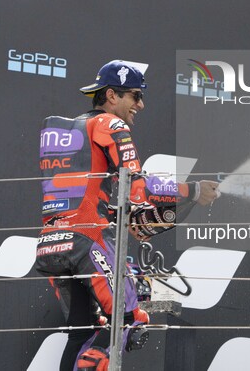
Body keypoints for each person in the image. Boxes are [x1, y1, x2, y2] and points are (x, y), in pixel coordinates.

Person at [34, 60, 219, 371]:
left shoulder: (70, 130)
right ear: (111, 95)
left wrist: (159, 214)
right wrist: (194, 190)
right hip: (87, 243)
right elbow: (137, 189)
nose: (141, 105)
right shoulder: (111, 125)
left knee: (81, 332)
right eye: (135, 95)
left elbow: (118, 203)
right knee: (129, 321)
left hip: (52, 245)